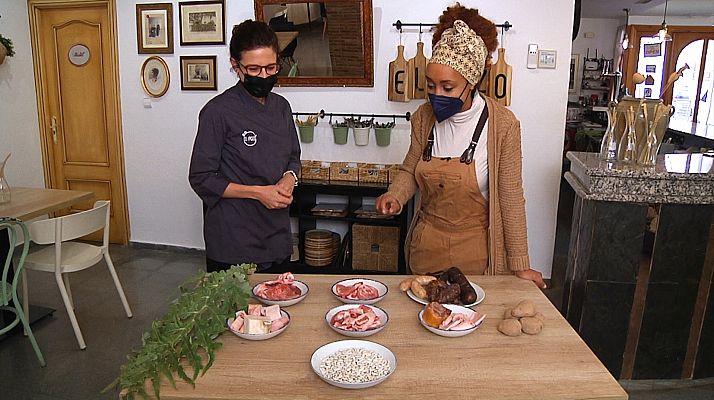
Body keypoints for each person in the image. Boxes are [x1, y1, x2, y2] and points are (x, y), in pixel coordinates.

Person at [375, 4, 546, 288]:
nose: (436, 95)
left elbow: (511, 198)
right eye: (430, 85)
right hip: (426, 247)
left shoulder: (502, 125)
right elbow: (409, 169)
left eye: (448, 87)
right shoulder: (422, 118)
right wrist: (395, 195)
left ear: (473, 81)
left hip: (476, 255)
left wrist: (520, 266)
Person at [189, 20, 300, 273]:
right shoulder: (217, 112)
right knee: (237, 312)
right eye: (254, 69)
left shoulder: (281, 107)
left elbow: (293, 156)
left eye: (271, 67)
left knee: (278, 309)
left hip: (276, 234)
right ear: (235, 65)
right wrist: (259, 193)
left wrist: (289, 179)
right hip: (233, 238)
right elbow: (201, 178)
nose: (264, 76)